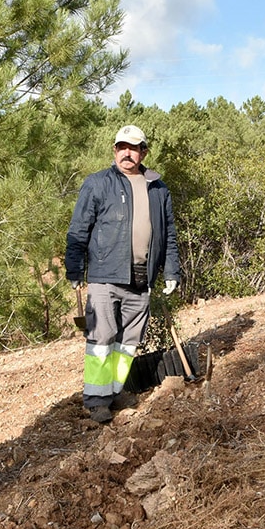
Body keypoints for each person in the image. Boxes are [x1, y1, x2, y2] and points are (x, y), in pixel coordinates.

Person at [65, 125, 181, 423]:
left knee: (129, 340)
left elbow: (167, 235)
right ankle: (96, 400)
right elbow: (79, 229)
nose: (126, 153)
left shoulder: (158, 188)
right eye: (121, 147)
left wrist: (171, 270)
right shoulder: (97, 183)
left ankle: (114, 390)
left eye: (133, 148)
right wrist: (75, 267)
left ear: (144, 151)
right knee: (101, 338)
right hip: (105, 275)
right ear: (115, 150)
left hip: (141, 279)